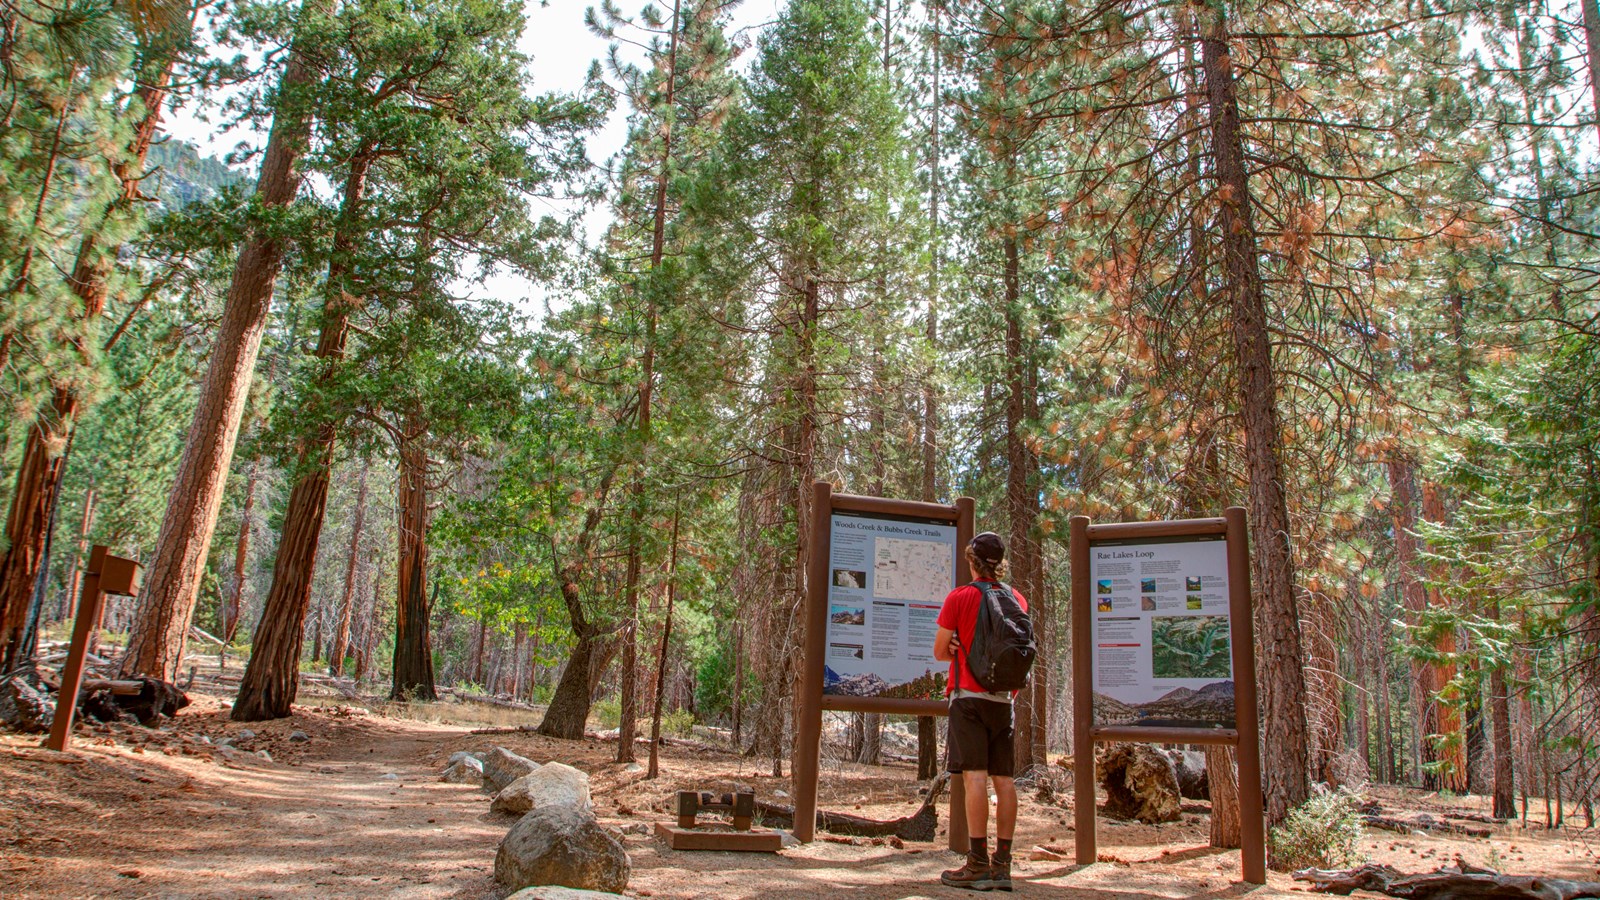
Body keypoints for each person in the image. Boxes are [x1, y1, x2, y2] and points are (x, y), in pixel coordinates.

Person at [932, 531, 1026, 892]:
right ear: (999, 563)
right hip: (1003, 700)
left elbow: (940, 651)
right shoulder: (1017, 598)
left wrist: (955, 642)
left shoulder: (959, 597)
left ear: (972, 561)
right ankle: (1003, 866)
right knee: (1004, 780)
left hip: (968, 697)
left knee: (974, 778)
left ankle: (976, 864)